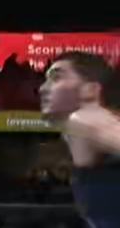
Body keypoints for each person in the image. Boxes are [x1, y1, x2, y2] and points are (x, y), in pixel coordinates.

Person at [39, 51, 120, 228]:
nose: (43, 88)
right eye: (46, 80)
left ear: (91, 90)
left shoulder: (85, 118)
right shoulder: (77, 129)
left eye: (56, 78)